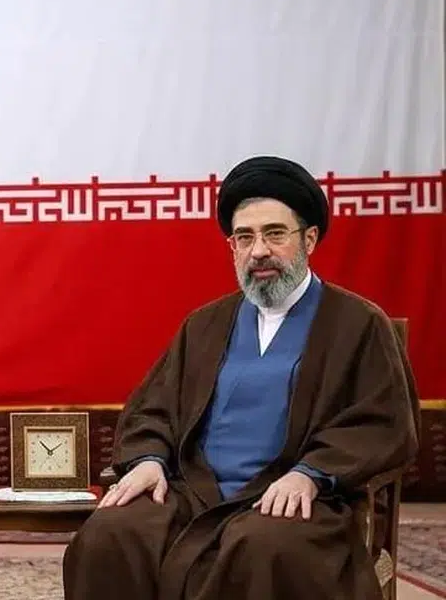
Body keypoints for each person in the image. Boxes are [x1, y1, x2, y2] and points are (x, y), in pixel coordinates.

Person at [62, 155, 420, 600]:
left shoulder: (359, 323)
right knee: (110, 534)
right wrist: (149, 460)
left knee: (263, 547)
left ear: (309, 238)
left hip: (298, 495)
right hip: (194, 492)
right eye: (245, 237)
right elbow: (153, 410)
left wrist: (311, 473)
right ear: (232, 246)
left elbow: (382, 423)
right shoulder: (205, 325)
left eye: (275, 234)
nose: (259, 250)